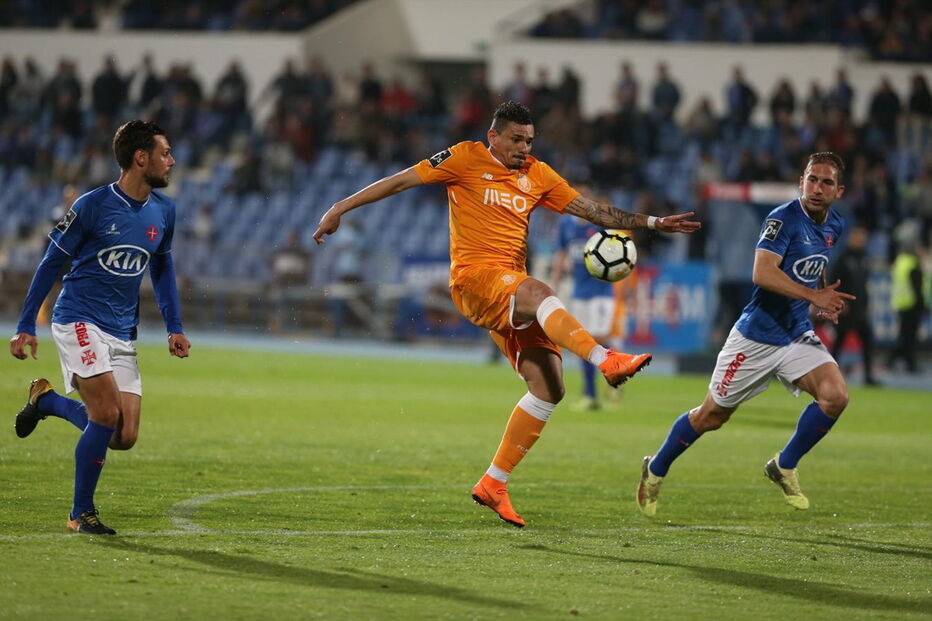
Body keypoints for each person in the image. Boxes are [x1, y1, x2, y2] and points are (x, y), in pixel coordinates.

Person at [314, 101, 700, 528]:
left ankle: (493, 483)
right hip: (474, 279)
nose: (524, 147)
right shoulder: (463, 157)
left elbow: (593, 211)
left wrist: (653, 221)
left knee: (549, 387)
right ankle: (605, 359)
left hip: (509, 287)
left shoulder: (538, 174)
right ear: (493, 136)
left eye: (530, 140)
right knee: (540, 290)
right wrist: (339, 207)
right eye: (516, 139)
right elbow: (401, 181)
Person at [636, 152, 854, 517]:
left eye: (826, 182)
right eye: (812, 179)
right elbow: (763, 274)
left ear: (839, 190)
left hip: (796, 332)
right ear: (801, 182)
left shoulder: (835, 226)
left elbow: (811, 265)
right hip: (756, 337)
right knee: (711, 417)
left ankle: (783, 465)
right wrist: (813, 295)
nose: (817, 188)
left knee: (836, 397)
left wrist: (818, 297)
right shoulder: (782, 219)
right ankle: (655, 468)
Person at [9, 120, 190, 535]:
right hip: (78, 318)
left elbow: (161, 268)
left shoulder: (164, 210)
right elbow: (51, 263)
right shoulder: (91, 205)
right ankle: (80, 513)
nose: (172, 161)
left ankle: (48, 401)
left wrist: (173, 327)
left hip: (122, 330)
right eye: (165, 153)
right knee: (105, 413)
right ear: (140, 158)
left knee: (123, 435)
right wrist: (25, 324)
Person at [550, 203, 626, 410]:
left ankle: (616, 377)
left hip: (601, 292)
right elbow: (561, 253)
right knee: (583, 344)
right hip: (579, 292)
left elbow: (620, 251)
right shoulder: (566, 224)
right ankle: (590, 395)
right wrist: (554, 282)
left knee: (598, 339)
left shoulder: (601, 225)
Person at [829, 225, 878, 385]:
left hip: (860, 308)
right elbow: (833, 282)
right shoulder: (843, 258)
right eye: (858, 236)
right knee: (838, 343)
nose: (861, 240)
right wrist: (838, 303)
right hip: (845, 308)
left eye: (863, 237)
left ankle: (868, 377)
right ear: (851, 238)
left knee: (867, 342)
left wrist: (867, 304)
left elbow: (865, 285)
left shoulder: (865, 258)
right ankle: (829, 375)